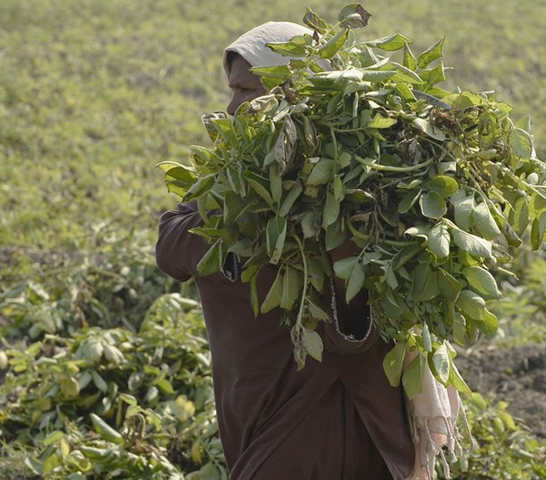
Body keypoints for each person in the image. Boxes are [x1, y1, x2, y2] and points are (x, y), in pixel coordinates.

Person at [155, 22, 416, 480]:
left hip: (322, 420)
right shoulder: (234, 178)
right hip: (254, 405)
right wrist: (244, 223)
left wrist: (309, 227)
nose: (231, 109)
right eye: (231, 90)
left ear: (294, 97)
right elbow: (171, 244)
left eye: (247, 91)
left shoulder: (351, 196)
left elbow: (354, 323)